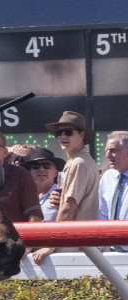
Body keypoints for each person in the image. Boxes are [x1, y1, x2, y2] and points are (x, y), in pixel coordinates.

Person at [32, 111, 101, 265]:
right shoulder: (80, 161)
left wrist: (50, 245)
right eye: (59, 132)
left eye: (68, 132)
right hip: (82, 245)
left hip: (74, 247)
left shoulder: (78, 163)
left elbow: (69, 207)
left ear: (82, 135)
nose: (63, 136)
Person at [0, 130, 42, 223]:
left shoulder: (21, 175)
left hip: (13, 236)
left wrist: (27, 235)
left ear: (5, 152)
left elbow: (35, 215)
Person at [98, 131, 128, 252]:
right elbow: (103, 214)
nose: (107, 155)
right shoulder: (107, 177)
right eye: (107, 150)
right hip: (113, 252)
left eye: (113, 150)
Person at [22, 147, 65, 222]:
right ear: (30, 172)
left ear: (55, 173)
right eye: (36, 166)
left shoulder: (63, 195)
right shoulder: (23, 196)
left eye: (47, 165)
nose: (41, 169)